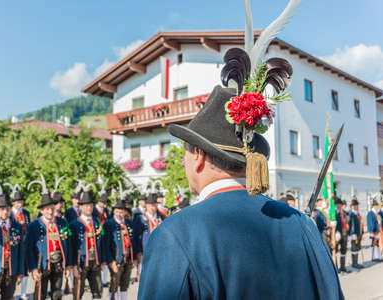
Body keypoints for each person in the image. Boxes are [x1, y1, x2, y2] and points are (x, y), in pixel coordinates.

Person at [138, 82, 343, 297]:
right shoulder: (302, 224)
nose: (182, 162)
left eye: (185, 153)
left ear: (198, 155)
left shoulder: (175, 233)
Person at [25, 192, 71, 300]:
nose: (50, 212)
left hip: (58, 264)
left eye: (52, 208)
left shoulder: (63, 223)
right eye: (47, 209)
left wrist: (68, 265)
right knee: (41, 294)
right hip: (42, 265)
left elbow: (68, 244)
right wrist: (33, 268)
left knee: (57, 294)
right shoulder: (33, 225)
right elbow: (29, 249)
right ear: (41, 210)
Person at [69, 190, 106, 300]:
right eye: (85, 206)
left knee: (98, 291)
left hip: (95, 261)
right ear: (80, 207)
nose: (89, 208)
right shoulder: (74, 225)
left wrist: (103, 260)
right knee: (78, 292)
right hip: (81, 263)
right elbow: (71, 248)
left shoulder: (96, 223)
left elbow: (102, 243)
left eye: (90, 205)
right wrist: (73, 266)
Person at [104, 200, 137, 300]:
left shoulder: (129, 223)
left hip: (128, 259)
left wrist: (134, 258)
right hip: (116, 259)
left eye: (122, 211)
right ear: (114, 211)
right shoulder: (109, 224)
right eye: (118, 211)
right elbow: (106, 246)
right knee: (114, 283)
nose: (120, 213)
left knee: (125, 284)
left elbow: (133, 242)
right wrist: (111, 261)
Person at [9, 186, 31, 300]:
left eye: (21, 201)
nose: (19, 204)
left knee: (25, 269)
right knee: (13, 269)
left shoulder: (26, 213)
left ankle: (23, 293)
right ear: (13, 203)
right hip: (14, 243)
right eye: (17, 202)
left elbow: (29, 226)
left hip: (25, 243)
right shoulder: (10, 213)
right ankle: (11, 293)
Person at [334, 197, 351, 273]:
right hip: (337, 234)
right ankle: (336, 267)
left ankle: (343, 266)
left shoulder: (344, 213)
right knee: (336, 250)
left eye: (340, 204)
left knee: (343, 250)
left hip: (344, 234)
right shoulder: (334, 213)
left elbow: (349, 221)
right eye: (337, 204)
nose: (339, 206)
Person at [349, 198, 364, 269]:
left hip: (358, 233)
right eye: (356, 205)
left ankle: (356, 262)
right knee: (354, 248)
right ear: (353, 206)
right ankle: (354, 263)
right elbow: (350, 224)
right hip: (353, 234)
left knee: (357, 248)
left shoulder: (357, 213)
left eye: (357, 205)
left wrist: (361, 232)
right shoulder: (351, 214)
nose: (357, 206)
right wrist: (352, 234)